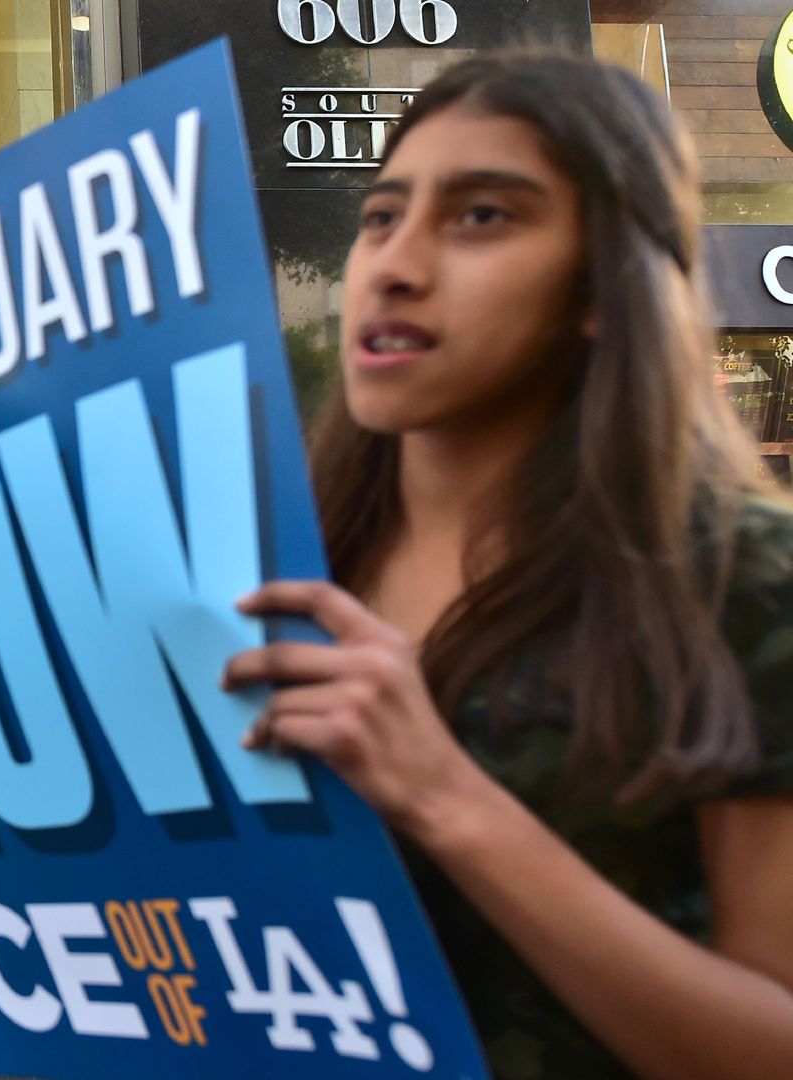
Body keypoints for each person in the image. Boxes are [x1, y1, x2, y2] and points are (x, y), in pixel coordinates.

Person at [218, 54, 793, 1078]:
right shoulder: (277, 557)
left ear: (605, 286)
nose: (394, 264)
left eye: (482, 216)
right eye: (382, 216)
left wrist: (445, 796)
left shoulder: (745, 583)